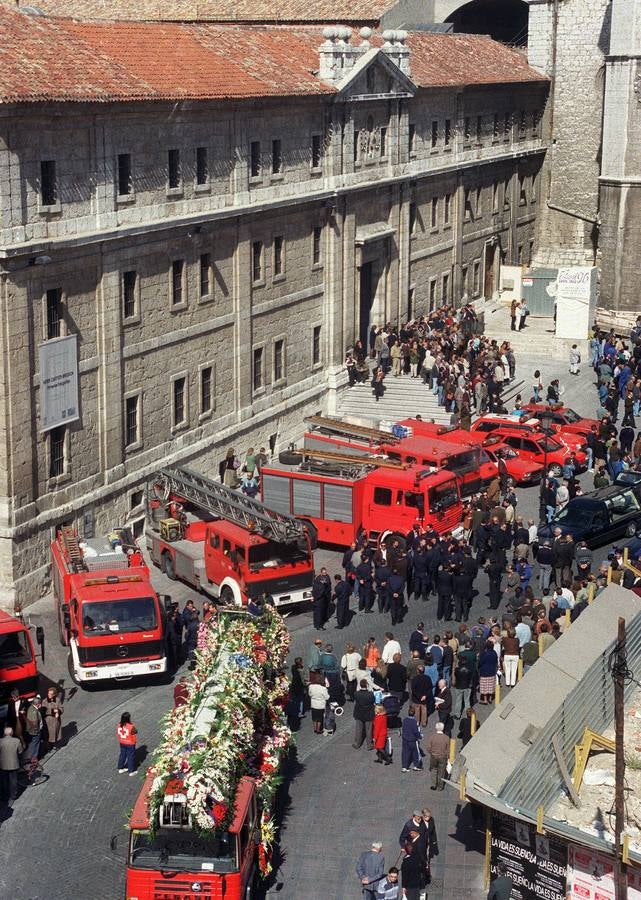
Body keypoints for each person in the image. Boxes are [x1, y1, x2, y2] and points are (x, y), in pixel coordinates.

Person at [400, 833, 427, 900]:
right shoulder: (418, 857)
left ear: (406, 851)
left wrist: (404, 886)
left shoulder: (406, 862)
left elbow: (405, 876)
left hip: (410, 885)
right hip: (418, 882)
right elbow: (424, 865)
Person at [0, 725, 22, 804]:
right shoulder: (16, 741)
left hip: (3, 765)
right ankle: (13, 795)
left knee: (3, 781)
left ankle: (5, 796)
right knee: (13, 780)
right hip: (14, 764)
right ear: (11, 733)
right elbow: (20, 751)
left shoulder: (0, 741)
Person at [353, 679, 376, 750]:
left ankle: (357, 743)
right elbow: (373, 701)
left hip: (359, 713)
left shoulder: (356, 693)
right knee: (369, 730)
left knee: (358, 729)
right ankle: (369, 744)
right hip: (368, 713)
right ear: (367, 685)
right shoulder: (370, 694)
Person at [426, 721, 449, 790]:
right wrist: (447, 756)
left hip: (433, 756)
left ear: (436, 728)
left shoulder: (432, 737)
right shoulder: (446, 738)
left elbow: (428, 748)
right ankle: (440, 786)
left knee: (433, 770)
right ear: (443, 728)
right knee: (441, 771)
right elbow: (448, 749)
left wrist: (431, 752)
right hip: (442, 756)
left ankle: (433, 784)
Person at [41, 686, 63, 754]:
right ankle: (49, 746)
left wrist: (59, 711)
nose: (49, 695)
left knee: (56, 732)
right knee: (50, 734)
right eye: (48, 693)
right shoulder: (44, 701)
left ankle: (55, 745)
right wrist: (54, 711)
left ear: (54, 695)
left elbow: (61, 708)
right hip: (49, 720)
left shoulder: (58, 700)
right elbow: (44, 711)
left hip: (56, 720)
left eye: (51, 694)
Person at [401, 706, 423, 772]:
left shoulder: (405, 720)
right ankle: (416, 766)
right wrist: (420, 736)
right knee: (415, 753)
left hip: (405, 739)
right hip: (412, 740)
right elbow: (416, 732)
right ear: (414, 713)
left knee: (405, 753)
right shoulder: (414, 722)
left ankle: (404, 767)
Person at [117, 711, 138, 776]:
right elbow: (135, 732)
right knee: (130, 756)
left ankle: (120, 768)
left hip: (122, 742)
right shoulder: (131, 726)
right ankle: (131, 771)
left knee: (122, 755)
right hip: (130, 743)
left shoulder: (118, 725)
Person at [478, 640, 499, 704]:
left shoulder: (484, 654)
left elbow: (480, 662)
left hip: (484, 671)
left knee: (484, 686)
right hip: (492, 671)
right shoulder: (494, 653)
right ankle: (490, 698)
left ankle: (485, 699)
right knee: (491, 685)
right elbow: (496, 662)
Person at [24, 695, 43, 764]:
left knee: (32, 743)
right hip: (35, 731)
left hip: (30, 730)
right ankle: (34, 758)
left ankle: (30, 756)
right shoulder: (35, 711)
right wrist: (37, 731)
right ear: (38, 704)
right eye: (40, 703)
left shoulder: (30, 708)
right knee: (36, 744)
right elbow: (35, 723)